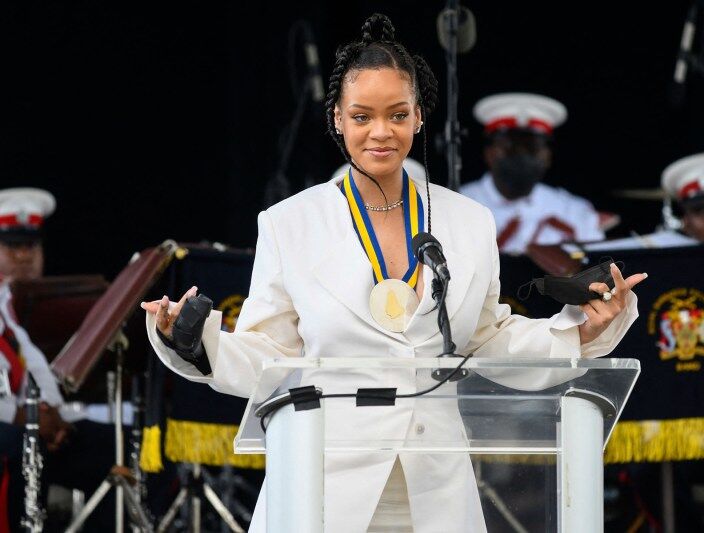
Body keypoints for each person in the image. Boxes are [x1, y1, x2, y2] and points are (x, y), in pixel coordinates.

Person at [141, 14, 646, 532]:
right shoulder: (289, 223)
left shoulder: (468, 221)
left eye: (397, 115)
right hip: (324, 482)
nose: (380, 133)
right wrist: (195, 340)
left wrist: (579, 331)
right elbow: (271, 354)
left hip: (436, 485)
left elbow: (486, 337)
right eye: (362, 116)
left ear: (419, 117)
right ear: (336, 118)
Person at [0, 187, 117, 530]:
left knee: (114, 448)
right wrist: (27, 416)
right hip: (13, 427)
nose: (24, 256)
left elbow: (34, 365)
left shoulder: (6, 301)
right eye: (11, 246)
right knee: (22, 447)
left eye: (31, 246)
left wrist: (51, 415)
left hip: (25, 424)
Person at [460, 93, 609, 254]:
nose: (522, 156)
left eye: (532, 147)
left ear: (548, 157)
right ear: (489, 153)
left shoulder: (574, 211)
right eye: (511, 146)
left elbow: (597, 271)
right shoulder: (458, 204)